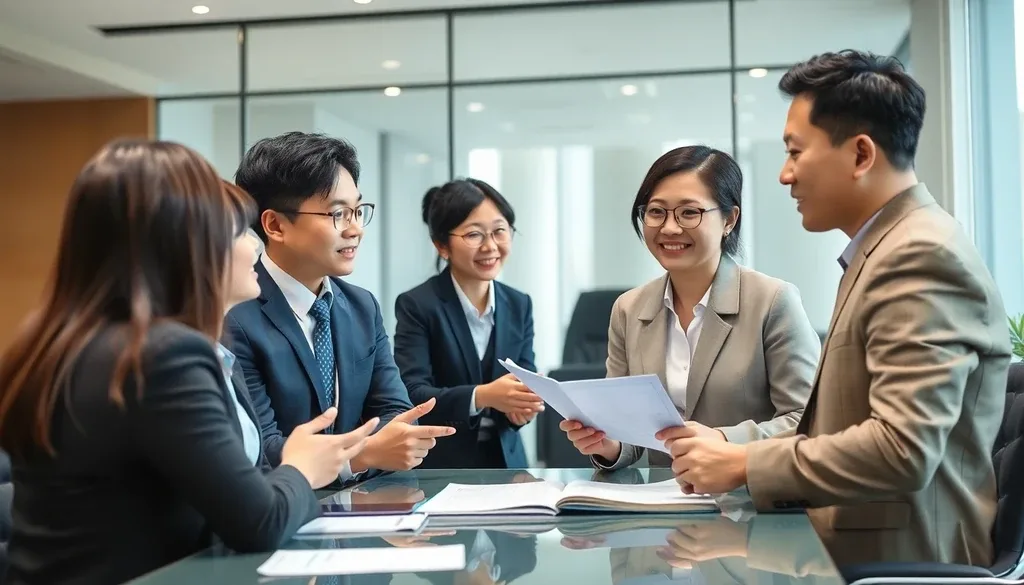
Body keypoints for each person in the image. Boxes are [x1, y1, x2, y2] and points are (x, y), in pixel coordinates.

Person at [662, 50, 1010, 568]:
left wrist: (743, 462)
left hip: (902, 562)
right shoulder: (886, 248)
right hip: (844, 544)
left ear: (861, 154)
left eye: (796, 152)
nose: (784, 175)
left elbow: (902, 450)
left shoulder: (919, 255)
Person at [0, 140, 377, 585]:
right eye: (238, 230)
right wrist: (301, 467)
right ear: (183, 244)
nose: (254, 246)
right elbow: (259, 520)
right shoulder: (162, 356)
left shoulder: (68, 340)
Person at [559, 146, 820, 470]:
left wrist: (724, 442)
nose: (669, 228)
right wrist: (607, 444)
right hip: (661, 507)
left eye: (689, 212)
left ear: (729, 219)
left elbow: (808, 422)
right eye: (656, 212)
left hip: (749, 503)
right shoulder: (628, 310)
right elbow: (628, 433)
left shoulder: (773, 301)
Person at [226, 132, 454, 477]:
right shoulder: (235, 313)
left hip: (365, 510)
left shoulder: (362, 306)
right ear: (275, 225)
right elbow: (259, 446)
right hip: (278, 513)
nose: (355, 229)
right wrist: (360, 455)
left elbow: (395, 410)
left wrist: (382, 444)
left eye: (358, 211)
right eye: (337, 214)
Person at [393, 179, 544, 469]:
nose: (490, 246)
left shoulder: (519, 304)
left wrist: (523, 408)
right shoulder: (418, 305)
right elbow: (412, 393)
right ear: (442, 245)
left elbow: (527, 380)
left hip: (508, 467)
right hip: (441, 467)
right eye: (474, 234)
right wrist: (483, 395)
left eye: (500, 231)